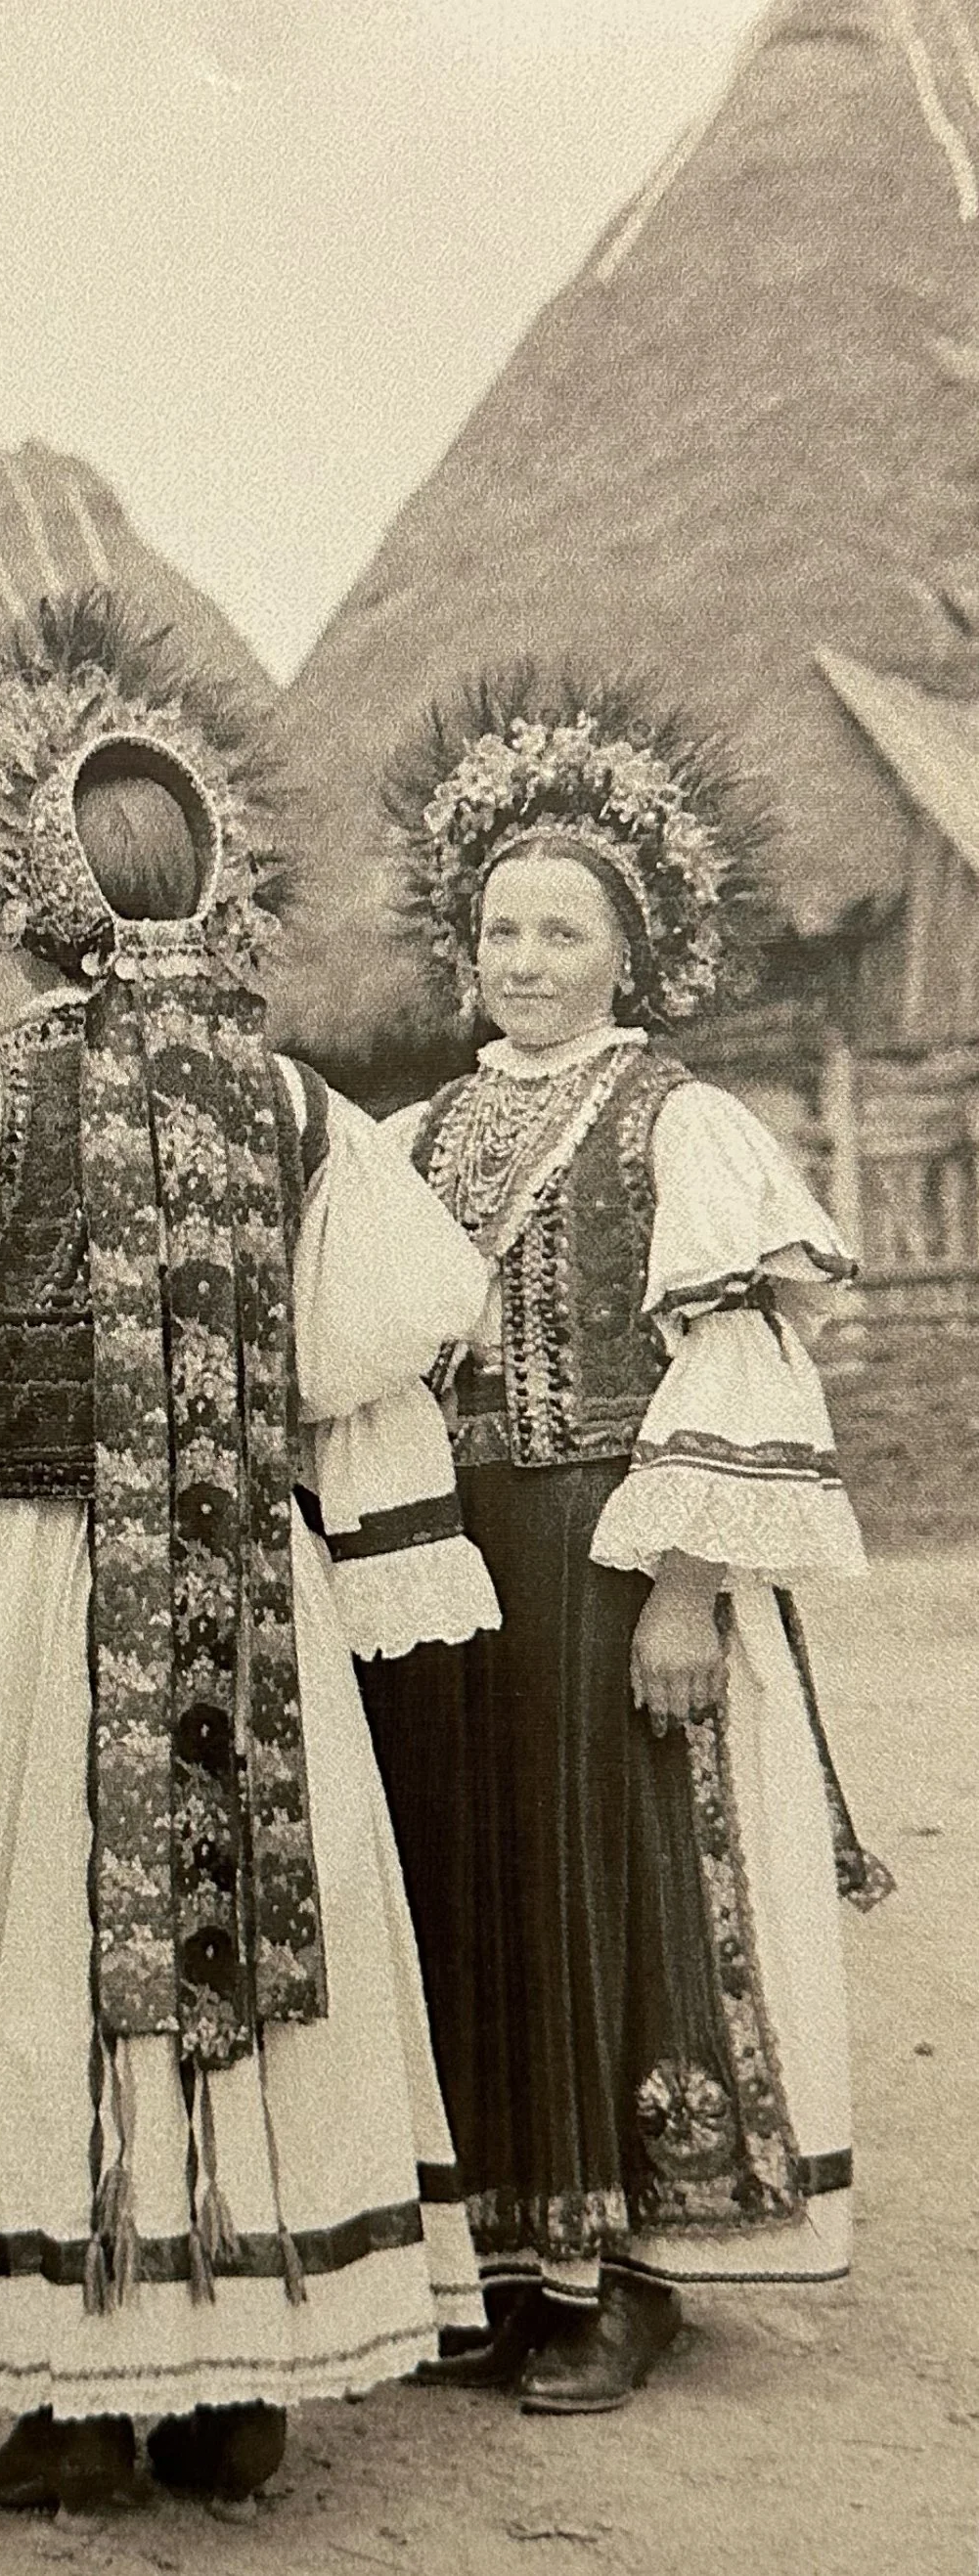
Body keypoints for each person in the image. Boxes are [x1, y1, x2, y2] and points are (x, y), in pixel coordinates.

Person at [0, 594, 501, 2516]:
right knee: (241, 1968)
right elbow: (389, 1329)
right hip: (249, 1606)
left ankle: (73, 2392)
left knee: (31, 1961)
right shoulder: (297, 1109)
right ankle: (236, 2384)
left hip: (29, 1599)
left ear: (26, 894)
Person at [363, 671, 890, 2415]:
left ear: (627, 951)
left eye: (561, 929)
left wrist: (681, 1589)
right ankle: (507, 2265)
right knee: (469, 1875)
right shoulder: (413, 1137)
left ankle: (635, 2267)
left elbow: (737, 1355)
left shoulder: (680, 1121)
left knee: (612, 1882)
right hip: (450, 1558)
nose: (522, 959)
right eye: (499, 927)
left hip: (609, 1545)